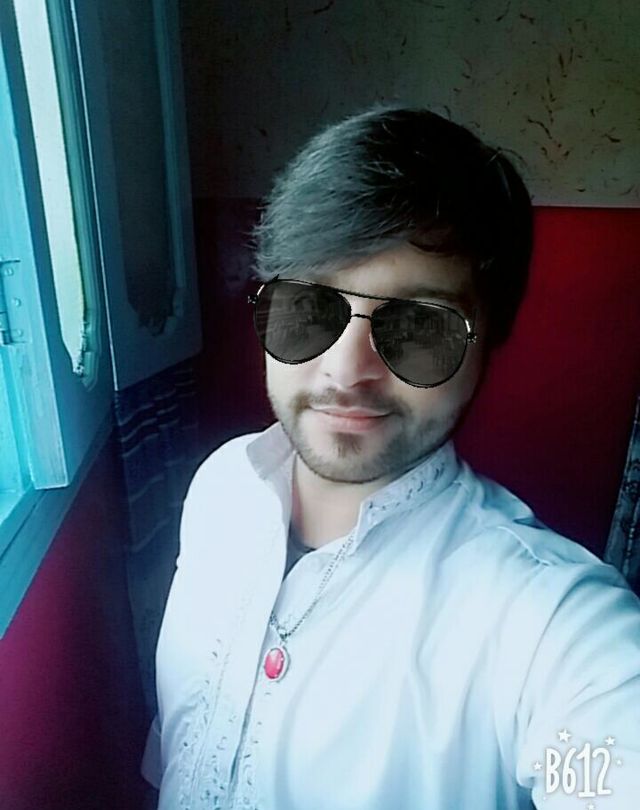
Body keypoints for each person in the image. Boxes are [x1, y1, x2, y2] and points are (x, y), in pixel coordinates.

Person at [142, 107, 640, 809]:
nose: (347, 371)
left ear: (488, 342)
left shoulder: (548, 625)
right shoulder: (221, 487)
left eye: (419, 326)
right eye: (310, 306)